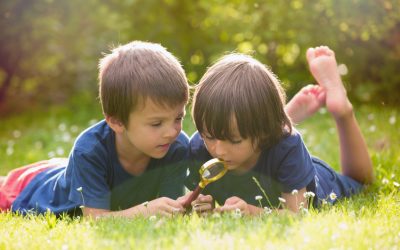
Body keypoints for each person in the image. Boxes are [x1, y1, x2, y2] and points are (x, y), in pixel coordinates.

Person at [0, 41, 190, 218]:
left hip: (71, 169)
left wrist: (192, 204)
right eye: (156, 123)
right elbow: (95, 219)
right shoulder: (89, 150)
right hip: (32, 188)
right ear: (117, 122)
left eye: (178, 118)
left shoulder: (177, 146)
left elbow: (171, 207)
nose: (172, 132)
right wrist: (146, 210)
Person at [185, 46, 374, 215]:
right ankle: (284, 116)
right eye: (208, 136)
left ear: (264, 133)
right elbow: (202, 204)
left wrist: (251, 212)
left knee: (362, 181)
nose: (218, 151)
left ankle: (342, 111)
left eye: (234, 140)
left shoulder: (288, 146)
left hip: (315, 180)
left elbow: (296, 214)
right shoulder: (199, 148)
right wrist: (206, 207)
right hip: (268, 141)